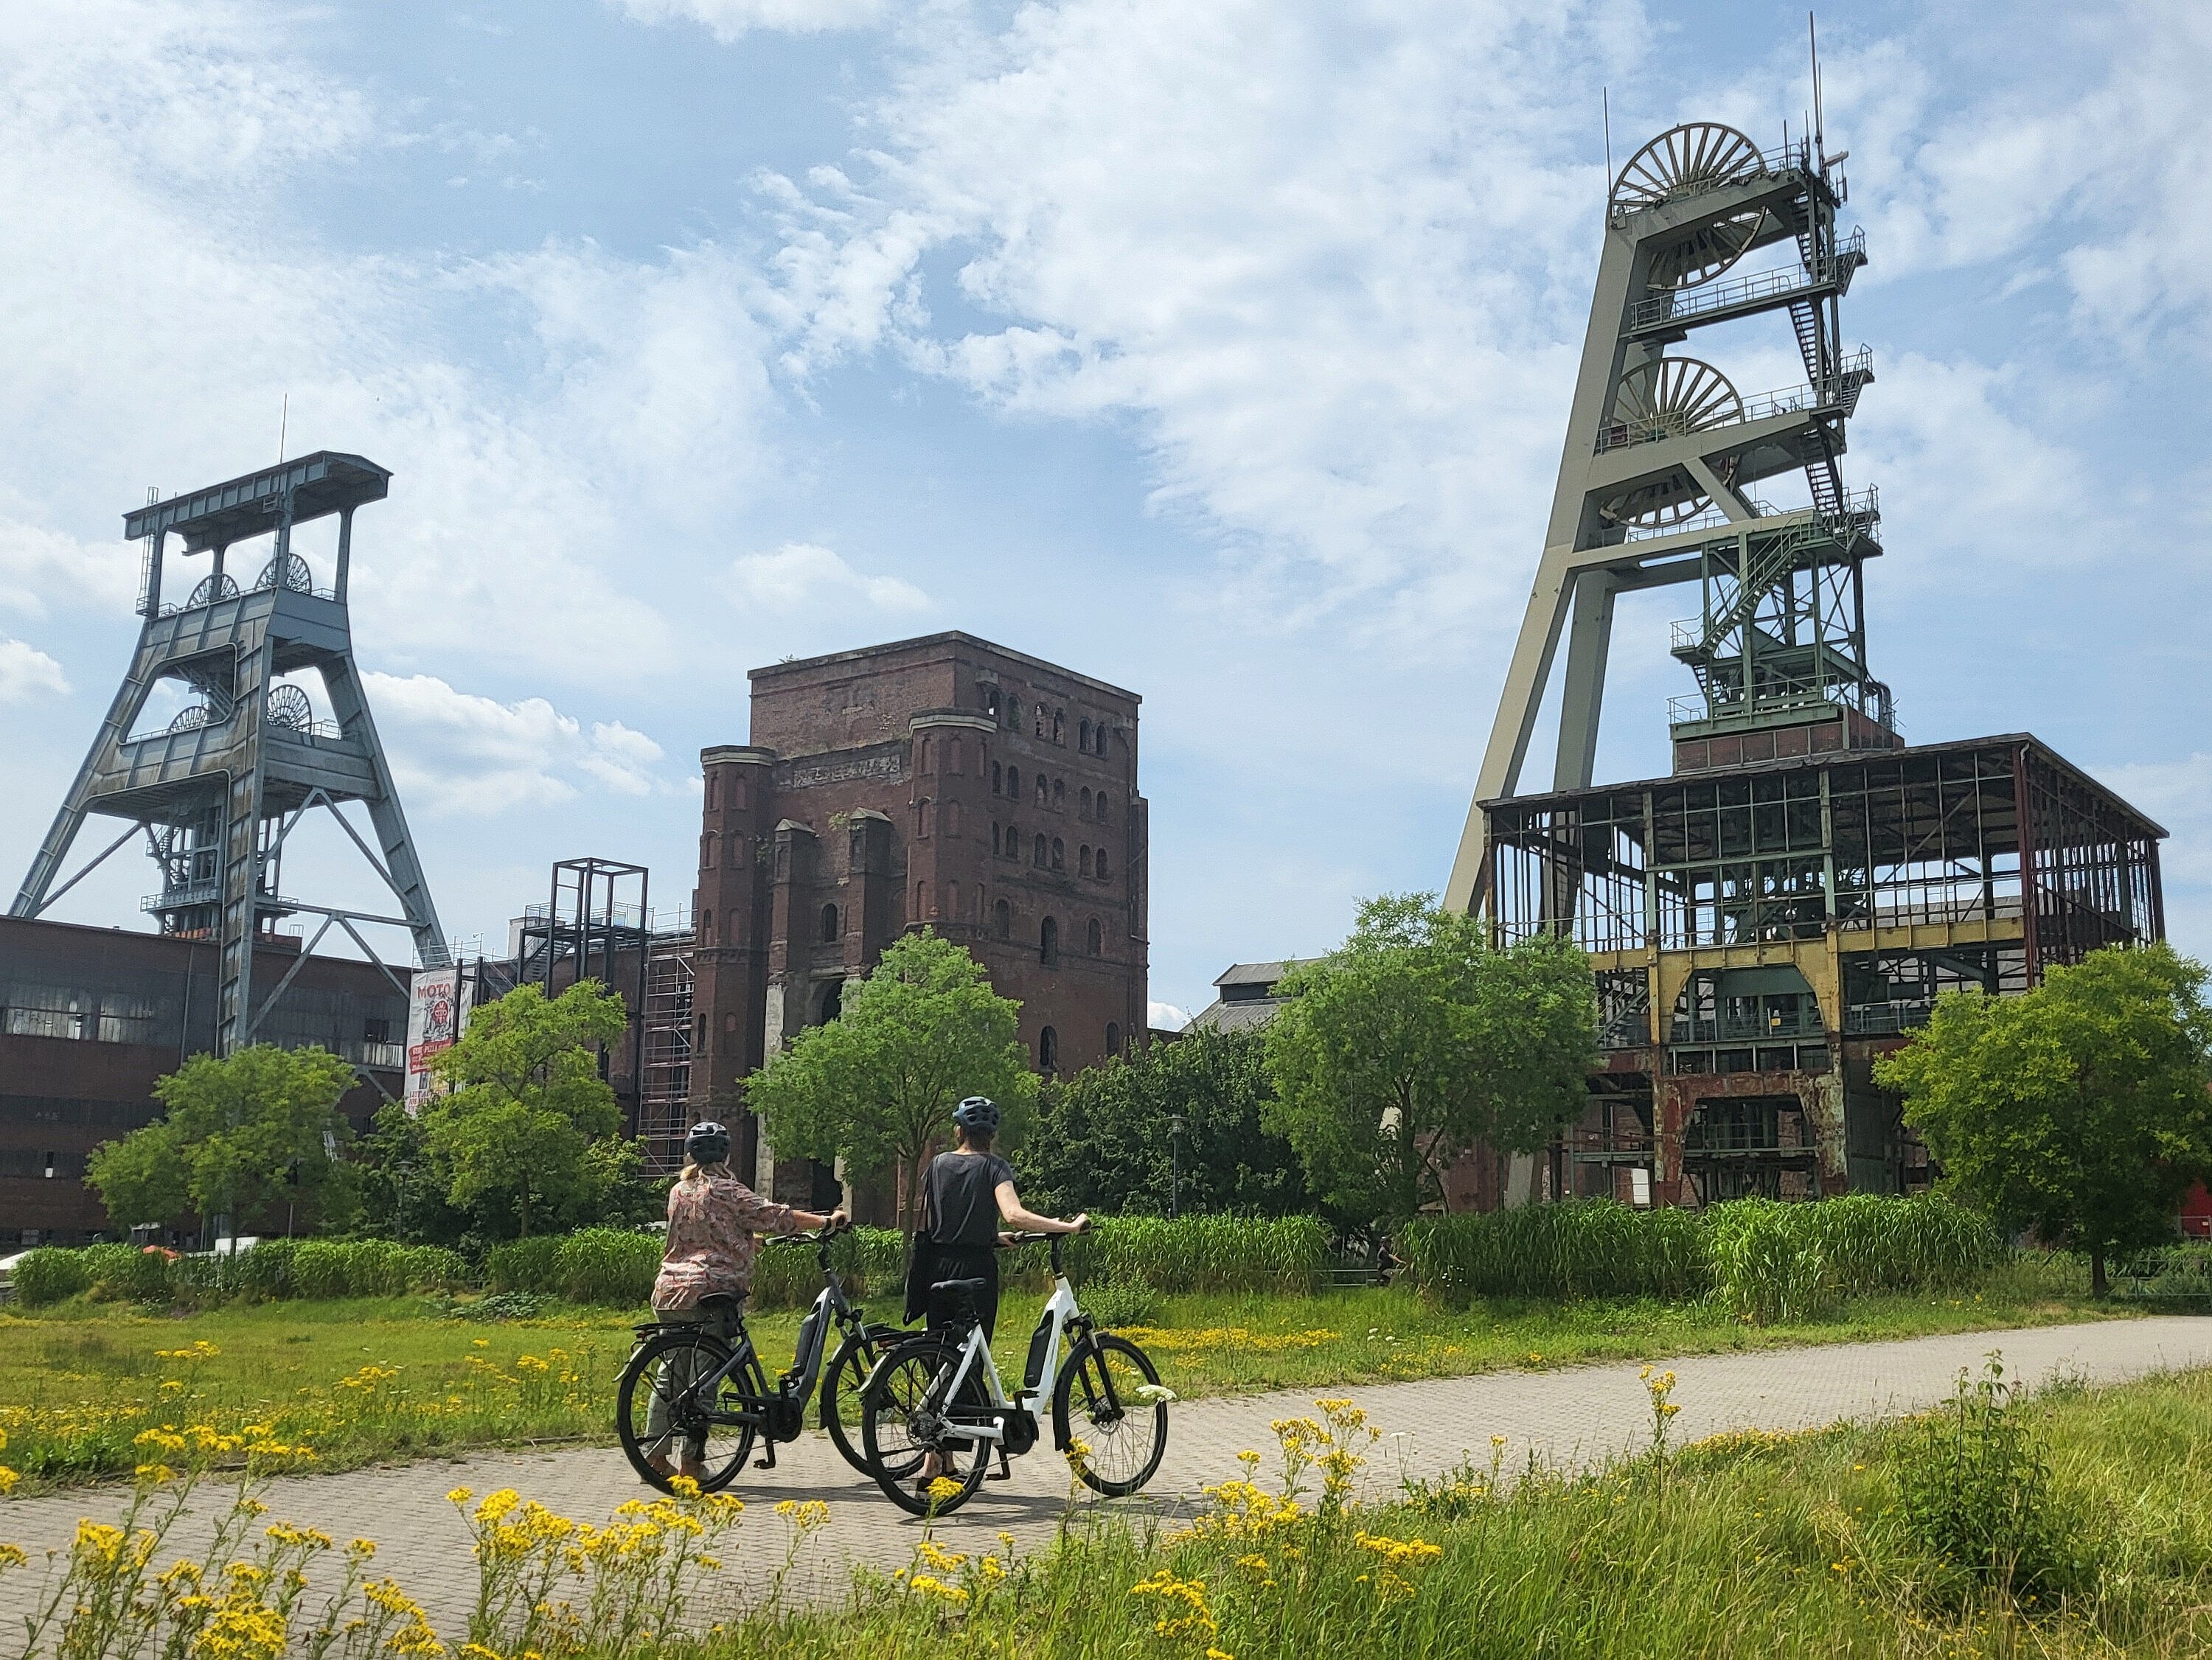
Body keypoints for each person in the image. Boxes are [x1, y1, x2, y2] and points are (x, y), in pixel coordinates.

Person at [645, 1120, 845, 1482]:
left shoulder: (679, 1190)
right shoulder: (728, 1190)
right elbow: (775, 1217)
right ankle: (692, 1463)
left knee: (671, 1373)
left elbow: (699, 1232)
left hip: (670, 1290)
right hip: (711, 1292)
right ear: (726, 1153)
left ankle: (655, 1457)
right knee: (706, 1376)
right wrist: (825, 1221)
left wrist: (742, 1240)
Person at [908, 1095, 1085, 1490]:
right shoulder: (994, 1166)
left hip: (937, 1269)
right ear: (993, 1135)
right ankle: (938, 1457)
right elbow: (1015, 1213)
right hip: (975, 1272)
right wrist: (1065, 1226)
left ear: (959, 1131)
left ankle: (940, 1461)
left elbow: (945, 1221)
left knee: (943, 1359)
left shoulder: (937, 1165)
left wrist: (992, 1237)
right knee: (967, 1360)